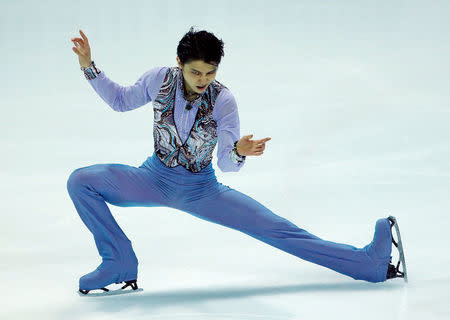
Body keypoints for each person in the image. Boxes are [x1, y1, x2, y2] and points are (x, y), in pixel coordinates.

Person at [67, 27, 406, 295]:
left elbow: (226, 164)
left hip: (202, 189)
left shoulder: (223, 100)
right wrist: (88, 67)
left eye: (210, 73)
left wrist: (239, 152)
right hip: (153, 179)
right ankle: (119, 261)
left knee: (278, 229)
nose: (203, 80)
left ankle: (368, 265)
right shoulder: (160, 78)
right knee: (81, 181)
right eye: (196, 72)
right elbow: (122, 101)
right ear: (179, 63)